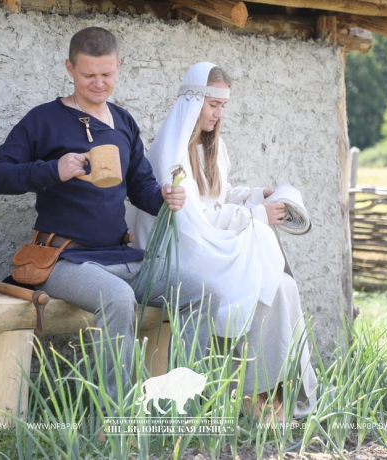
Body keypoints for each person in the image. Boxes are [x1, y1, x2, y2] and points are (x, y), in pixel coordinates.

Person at [0, 28, 218, 409]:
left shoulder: (123, 122)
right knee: (118, 299)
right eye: (89, 75)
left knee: (202, 294)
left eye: (107, 74)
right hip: (63, 259)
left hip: (120, 256)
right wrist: (51, 170)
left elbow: (140, 187)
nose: (98, 83)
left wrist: (164, 198)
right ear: (69, 68)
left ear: (118, 67)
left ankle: (188, 405)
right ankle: (116, 415)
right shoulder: (43, 120)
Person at [131, 62, 318, 421]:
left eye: (222, 107)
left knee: (282, 286)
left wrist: (253, 195)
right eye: (212, 105)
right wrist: (256, 215)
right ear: (194, 100)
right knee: (259, 290)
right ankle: (249, 394)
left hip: (210, 248)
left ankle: (278, 388)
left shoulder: (208, 147)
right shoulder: (171, 154)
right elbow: (192, 222)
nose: (217, 115)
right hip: (184, 255)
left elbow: (218, 196)